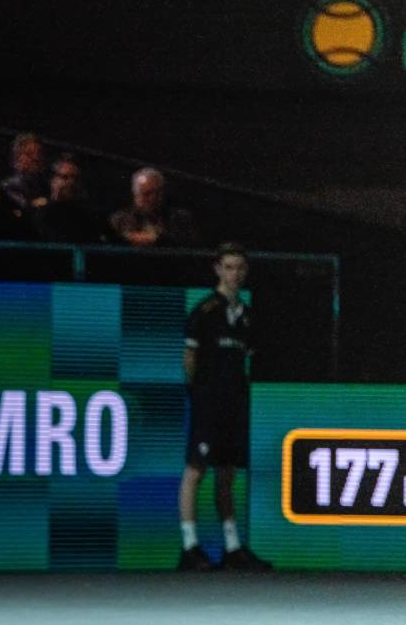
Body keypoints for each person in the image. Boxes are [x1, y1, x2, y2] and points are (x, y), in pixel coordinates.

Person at [177, 243, 272, 572]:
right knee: (195, 470)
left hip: (235, 402)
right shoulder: (204, 311)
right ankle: (189, 547)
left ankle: (232, 547)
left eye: (240, 268)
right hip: (208, 401)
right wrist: (197, 391)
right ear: (217, 269)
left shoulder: (247, 316)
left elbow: (248, 358)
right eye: (229, 267)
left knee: (227, 473)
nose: (235, 274)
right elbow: (189, 358)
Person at [110, 166, 200, 247]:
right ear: (135, 194)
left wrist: (158, 240)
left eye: (157, 193)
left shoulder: (179, 218)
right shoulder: (120, 220)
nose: (152, 198)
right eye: (147, 194)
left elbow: (189, 244)